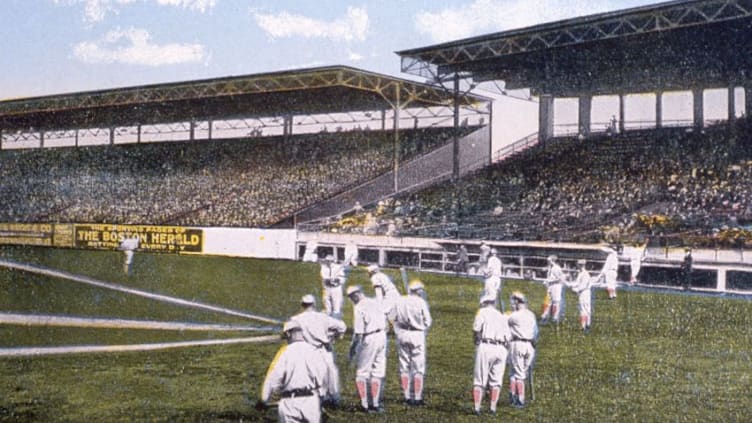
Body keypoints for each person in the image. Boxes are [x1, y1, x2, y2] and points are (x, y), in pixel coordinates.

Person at [257, 320, 327, 423]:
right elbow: (322, 378)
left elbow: (272, 379)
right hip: (311, 403)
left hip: (290, 404)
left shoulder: (284, 352)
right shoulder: (314, 351)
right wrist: (320, 398)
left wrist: (263, 400)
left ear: (288, 333)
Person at [290, 294, 347, 407]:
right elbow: (342, 326)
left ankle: (315, 398)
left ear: (302, 305)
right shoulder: (323, 317)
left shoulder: (296, 319)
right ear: (313, 304)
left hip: (306, 351)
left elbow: (289, 334)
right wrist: (335, 336)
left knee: (309, 375)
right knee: (331, 373)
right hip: (324, 350)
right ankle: (332, 398)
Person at [346, 285, 388, 413]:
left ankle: (364, 404)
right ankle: (375, 404)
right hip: (382, 336)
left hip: (369, 338)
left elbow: (358, 333)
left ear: (356, 295)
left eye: (351, 298)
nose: (352, 300)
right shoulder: (374, 302)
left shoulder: (359, 307)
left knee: (362, 372)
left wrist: (352, 348)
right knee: (377, 371)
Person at [389, 280, 432, 406]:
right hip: (417, 334)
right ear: (418, 291)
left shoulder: (400, 300)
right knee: (418, 368)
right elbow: (428, 321)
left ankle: (407, 396)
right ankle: (417, 397)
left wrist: (397, 329)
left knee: (404, 366)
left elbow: (392, 317)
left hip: (402, 333)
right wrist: (421, 327)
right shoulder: (421, 302)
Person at [471, 293, 511, 415]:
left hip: (486, 346)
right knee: (496, 380)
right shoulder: (502, 316)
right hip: (501, 348)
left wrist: (476, 341)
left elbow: (476, 329)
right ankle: (492, 408)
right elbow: (508, 337)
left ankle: (477, 408)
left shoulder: (482, 312)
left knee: (480, 380)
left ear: (484, 303)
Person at [507, 291, 538, 409]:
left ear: (516, 302)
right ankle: (513, 395)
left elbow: (503, 322)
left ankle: (519, 398)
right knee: (521, 372)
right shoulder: (531, 315)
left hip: (517, 344)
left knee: (516, 372)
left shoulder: (514, 316)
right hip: (530, 346)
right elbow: (536, 332)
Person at [566, 259, 593, 333]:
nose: (577, 266)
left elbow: (583, 286)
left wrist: (576, 290)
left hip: (585, 293)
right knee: (583, 309)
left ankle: (586, 325)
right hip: (582, 293)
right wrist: (569, 284)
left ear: (581, 265)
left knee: (585, 309)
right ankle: (584, 325)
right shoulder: (581, 274)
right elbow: (577, 283)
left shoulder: (585, 274)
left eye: (578, 264)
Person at [540, 255, 566, 325]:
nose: (548, 262)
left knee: (556, 302)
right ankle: (545, 315)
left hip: (556, 286)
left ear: (552, 261)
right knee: (549, 301)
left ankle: (555, 317)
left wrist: (549, 281)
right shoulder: (551, 268)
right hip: (551, 286)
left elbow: (559, 278)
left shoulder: (557, 268)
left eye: (549, 261)